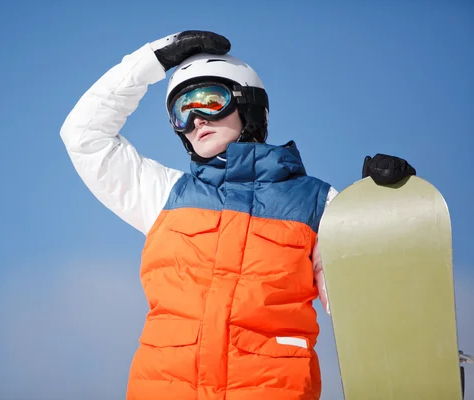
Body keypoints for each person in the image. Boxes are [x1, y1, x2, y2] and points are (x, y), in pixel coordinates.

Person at [60, 31, 415, 400]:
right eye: (182, 110)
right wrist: (152, 60)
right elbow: (84, 137)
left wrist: (381, 215)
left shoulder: (316, 203)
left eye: (210, 101)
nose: (196, 119)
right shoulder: (165, 196)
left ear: (247, 105)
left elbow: (356, 303)